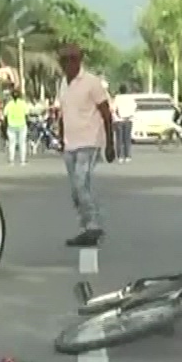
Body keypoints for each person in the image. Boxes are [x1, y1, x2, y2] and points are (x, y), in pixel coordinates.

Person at [55, 43, 117, 248]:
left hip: (89, 142)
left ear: (80, 59)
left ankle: (93, 226)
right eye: (64, 60)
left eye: (72, 59)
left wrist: (110, 144)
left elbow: (106, 113)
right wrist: (60, 136)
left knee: (82, 184)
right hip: (70, 144)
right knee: (76, 190)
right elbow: (63, 113)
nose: (68, 64)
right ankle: (86, 227)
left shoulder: (92, 83)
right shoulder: (63, 83)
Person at [2, 87, 31, 166]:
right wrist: (28, 125)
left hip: (11, 126)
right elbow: (27, 115)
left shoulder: (9, 104)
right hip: (22, 125)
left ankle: (11, 160)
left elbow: (5, 115)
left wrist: (5, 126)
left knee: (12, 143)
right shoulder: (23, 103)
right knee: (22, 143)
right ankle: (22, 160)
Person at [112, 91, 135, 163]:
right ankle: (127, 156)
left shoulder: (117, 98)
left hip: (119, 120)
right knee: (127, 138)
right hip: (128, 119)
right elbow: (134, 107)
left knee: (119, 139)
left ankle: (120, 157)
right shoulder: (130, 98)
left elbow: (113, 109)